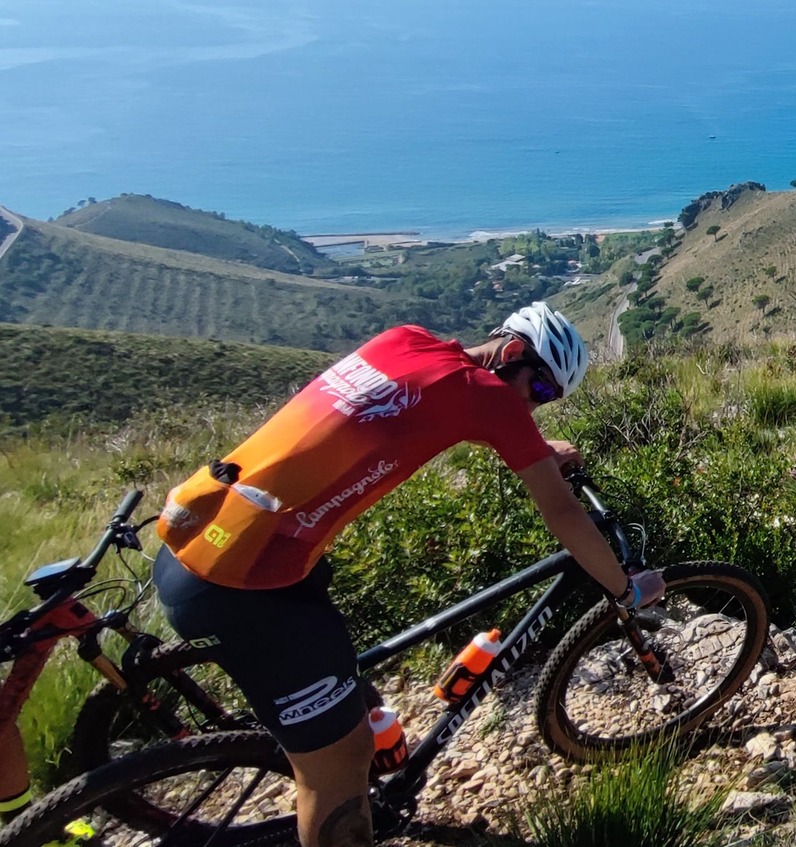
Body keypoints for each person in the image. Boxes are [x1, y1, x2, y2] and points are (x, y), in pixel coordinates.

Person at [147, 302, 663, 847]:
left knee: (342, 683)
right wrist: (625, 589)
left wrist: (533, 446)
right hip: (244, 583)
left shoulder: (405, 340)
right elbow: (563, 514)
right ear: (512, 353)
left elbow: (417, 406)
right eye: (540, 393)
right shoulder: (488, 397)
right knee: (339, 767)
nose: (536, 409)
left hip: (201, 525)